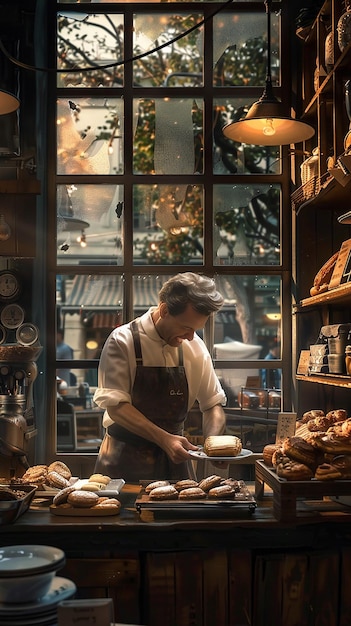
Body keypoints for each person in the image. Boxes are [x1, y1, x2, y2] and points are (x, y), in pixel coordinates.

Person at [93, 272, 227, 482]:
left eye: (196, 329)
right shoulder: (122, 341)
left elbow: (213, 405)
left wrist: (213, 442)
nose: (191, 337)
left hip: (175, 462)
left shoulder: (194, 345)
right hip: (123, 461)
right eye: (186, 327)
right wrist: (164, 439)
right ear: (164, 309)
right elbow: (116, 407)